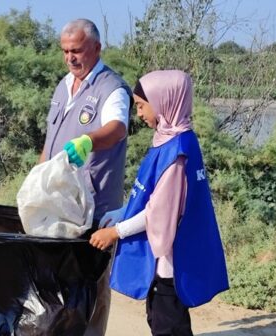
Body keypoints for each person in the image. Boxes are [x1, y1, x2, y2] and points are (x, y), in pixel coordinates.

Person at [90, 70, 229, 335]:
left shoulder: (177, 154)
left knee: (168, 325)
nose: (139, 113)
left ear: (163, 101)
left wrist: (115, 232)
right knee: (159, 320)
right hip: (164, 264)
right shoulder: (174, 139)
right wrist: (121, 212)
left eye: (142, 105)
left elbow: (158, 213)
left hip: (171, 265)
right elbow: (152, 195)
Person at [39, 18, 132, 336]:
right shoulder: (63, 85)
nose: (70, 58)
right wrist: (37, 181)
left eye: (76, 50)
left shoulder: (112, 88)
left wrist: (89, 140)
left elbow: (117, 128)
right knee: (60, 281)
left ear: (96, 48)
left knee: (92, 284)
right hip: (60, 207)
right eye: (65, 51)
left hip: (95, 209)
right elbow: (49, 142)